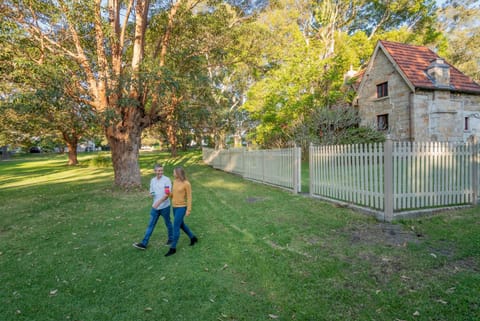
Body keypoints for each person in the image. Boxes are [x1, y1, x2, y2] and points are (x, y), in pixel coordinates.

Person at [133, 164, 173, 250]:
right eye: (158, 171)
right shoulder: (153, 180)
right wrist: (152, 194)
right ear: (155, 171)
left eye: (161, 170)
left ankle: (171, 239)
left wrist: (158, 203)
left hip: (165, 207)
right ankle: (144, 244)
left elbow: (167, 194)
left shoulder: (167, 180)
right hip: (155, 208)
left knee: (168, 223)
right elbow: (152, 191)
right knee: (151, 225)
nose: (160, 172)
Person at [165, 166, 198, 257]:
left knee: (175, 226)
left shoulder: (186, 183)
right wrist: (169, 194)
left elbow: (189, 197)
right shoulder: (175, 181)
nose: (173, 173)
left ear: (178, 173)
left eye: (174, 172)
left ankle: (173, 248)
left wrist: (188, 209)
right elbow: (173, 195)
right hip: (174, 207)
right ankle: (193, 238)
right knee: (181, 225)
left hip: (181, 208)